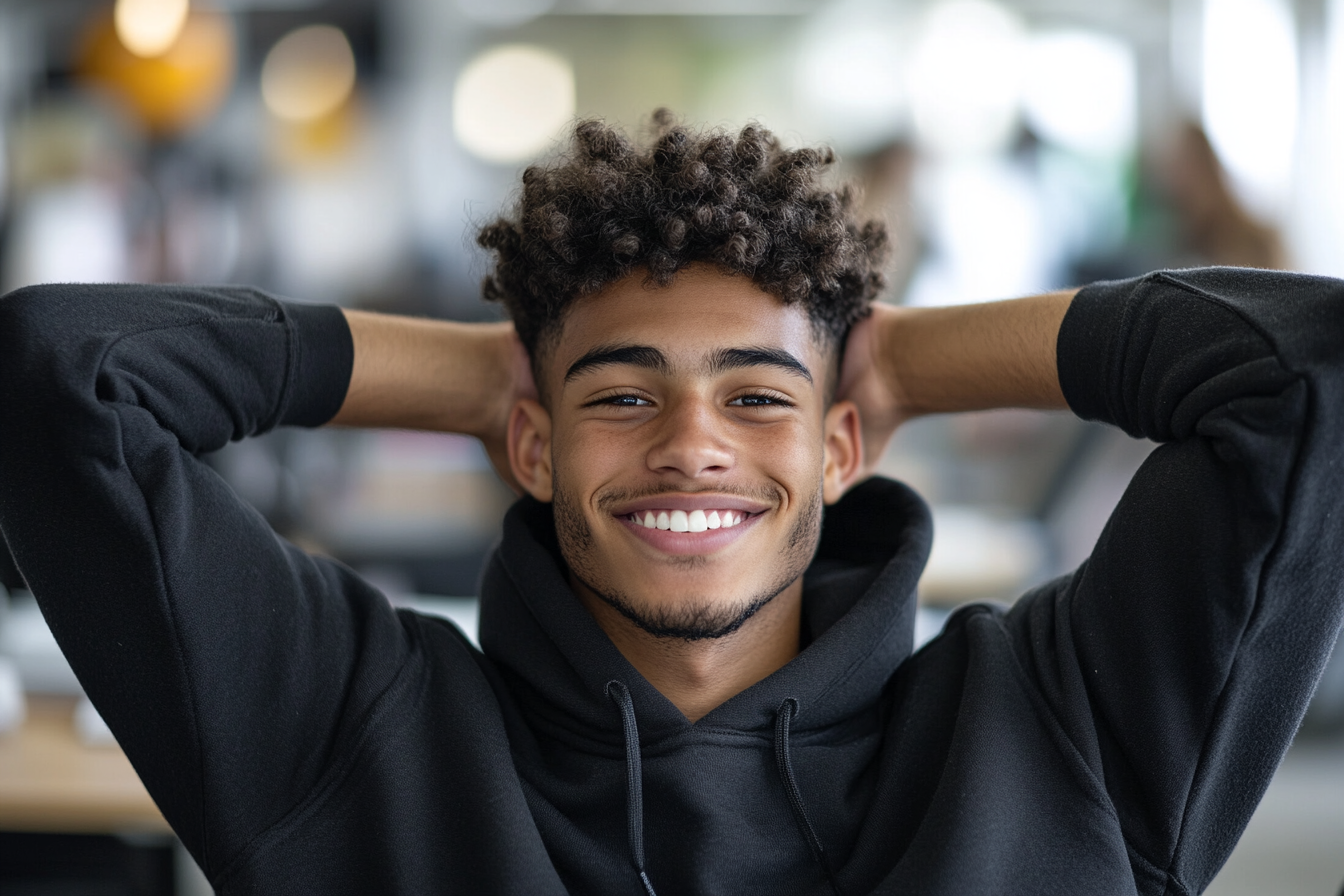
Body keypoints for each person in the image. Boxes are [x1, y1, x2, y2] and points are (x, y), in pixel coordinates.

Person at [0, 113, 1341, 896]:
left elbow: (1304, 370)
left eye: (756, 401)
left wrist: (908, 361)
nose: (694, 444)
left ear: (841, 449)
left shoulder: (1063, 735)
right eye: (625, 400)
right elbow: (60, 377)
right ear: (532, 447)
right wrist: (478, 376)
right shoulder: (356, 731)